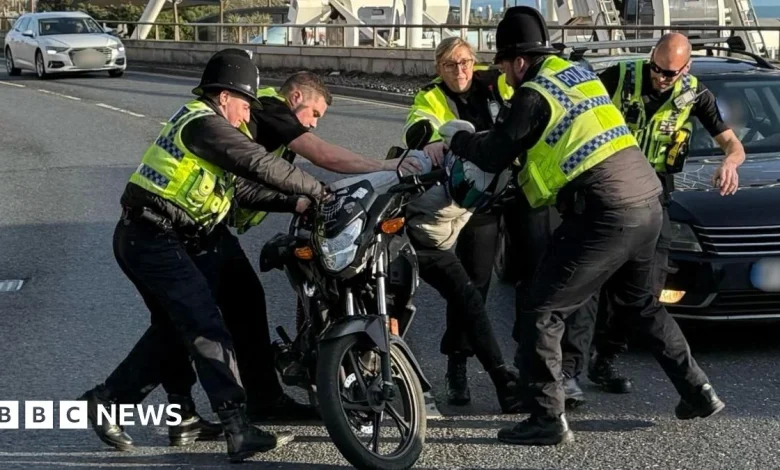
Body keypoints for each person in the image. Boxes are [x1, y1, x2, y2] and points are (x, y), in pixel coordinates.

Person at [437, 6, 725, 445]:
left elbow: (494, 151)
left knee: (541, 309)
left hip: (605, 209)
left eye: (501, 64)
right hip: (649, 200)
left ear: (517, 61)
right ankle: (698, 390)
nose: (501, 74)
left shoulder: (533, 94)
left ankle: (547, 418)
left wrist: (456, 137)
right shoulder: (580, 74)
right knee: (640, 306)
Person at [79, 51, 328, 462]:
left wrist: (299, 202)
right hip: (151, 236)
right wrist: (321, 189)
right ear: (225, 96)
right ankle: (235, 427)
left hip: (176, 235)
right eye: (246, 105)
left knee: (198, 318)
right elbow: (257, 163)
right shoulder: (204, 123)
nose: (248, 117)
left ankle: (154, 409)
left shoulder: (216, 128)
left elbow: (241, 189)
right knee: (201, 322)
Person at [579, 33, 745, 396]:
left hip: (656, 193)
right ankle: (570, 372)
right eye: (656, 68)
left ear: (686, 68)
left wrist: (730, 163)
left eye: (670, 73)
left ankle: (605, 358)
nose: (660, 77)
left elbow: (734, 144)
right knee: (589, 282)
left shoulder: (695, 94)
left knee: (645, 290)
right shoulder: (619, 76)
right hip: (609, 186)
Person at [402, 36, 514, 406]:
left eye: (465, 62)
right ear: (439, 68)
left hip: (493, 198)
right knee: (462, 283)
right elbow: (419, 124)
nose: (460, 70)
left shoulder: (494, 81)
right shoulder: (430, 95)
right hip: (455, 201)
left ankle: (483, 361)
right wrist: (432, 140)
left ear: (475, 61)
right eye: (450, 65)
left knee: (477, 285)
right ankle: (457, 364)